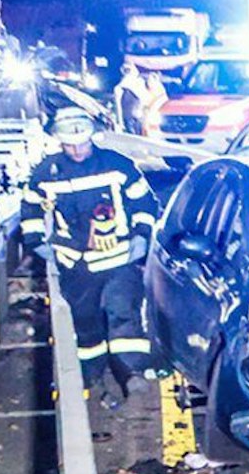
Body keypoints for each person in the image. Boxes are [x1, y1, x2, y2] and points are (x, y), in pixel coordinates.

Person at [20, 106, 162, 403]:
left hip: (118, 260)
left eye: (82, 143)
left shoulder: (117, 165)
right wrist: (37, 242)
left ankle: (132, 372)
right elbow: (31, 209)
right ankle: (92, 374)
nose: (76, 149)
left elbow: (145, 204)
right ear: (59, 141)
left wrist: (141, 237)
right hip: (75, 264)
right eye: (69, 144)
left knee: (124, 314)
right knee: (85, 323)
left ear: (92, 137)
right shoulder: (46, 173)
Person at [112, 63, 147, 133]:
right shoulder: (119, 88)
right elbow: (118, 106)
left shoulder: (139, 82)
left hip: (137, 116)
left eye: (129, 69)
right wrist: (120, 121)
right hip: (126, 116)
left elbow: (143, 98)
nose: (127, 72)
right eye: (126, 70)